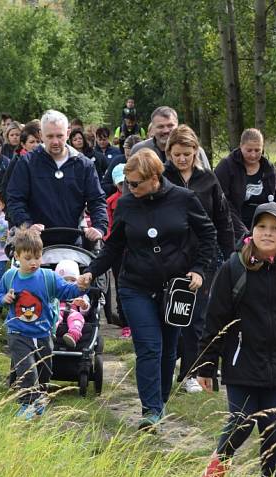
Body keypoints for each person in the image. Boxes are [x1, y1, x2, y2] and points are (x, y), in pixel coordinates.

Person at [78, 148, 216, 429]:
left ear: (155, 178)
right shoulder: (127, 204)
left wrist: (200, 269)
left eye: (136, 183)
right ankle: (150, 410)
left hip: (175, 288)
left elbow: (208, 235)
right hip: (136, 286)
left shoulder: (184, 199)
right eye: (127, 183)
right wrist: (91, 272)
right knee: (150, 347)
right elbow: (114, 244)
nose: (130, 188)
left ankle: (160, 402)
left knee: (167, 348)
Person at [195, 203, 276, 477]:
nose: (268, 233)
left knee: (273, 425)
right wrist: (206, 365)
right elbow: (215, 320)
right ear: (252, 230)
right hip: (240, 359)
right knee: (242, 421)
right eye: (262, 227)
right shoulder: (234, 268)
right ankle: (217, 466)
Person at [161, 125, 234, 393]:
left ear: (195, 153)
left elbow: (223, 220)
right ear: (168, 152)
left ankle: (190, 372)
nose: (182, 159)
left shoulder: (208, 180)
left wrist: (229, 256)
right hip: (168, 256)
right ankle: (166, 367)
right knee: (170, 315)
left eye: (187, 154)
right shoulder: (162, 178)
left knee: (197, 317)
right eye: (177, 154)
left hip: (204, 257)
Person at [0, 228, 86, 419]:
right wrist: (4, 299)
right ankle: (26, 404)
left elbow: (65, 291)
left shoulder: (48, 277)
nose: (33, 262)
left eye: (37, 257)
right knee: (26, 368)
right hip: (18, 332)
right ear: (18, 256)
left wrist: (78, 287)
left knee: (45, 370)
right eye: (28, 258)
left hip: (43, 332)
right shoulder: (10, 277)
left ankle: (40, 398)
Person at [6, 110, 107, 245]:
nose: (55, 141)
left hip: (73, 241)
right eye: (50, 136)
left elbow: (97, 200)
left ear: (68, 133)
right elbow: (15, 199)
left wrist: (99, 227)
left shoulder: (84, 165)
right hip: (34, 243)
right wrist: (27, 225)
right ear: (41, 135)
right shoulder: (27, 163)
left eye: (60, 136)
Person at [215, 128, 276, 241]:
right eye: (249, 150)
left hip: (264, 226)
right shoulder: (227, 166)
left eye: (257, 150)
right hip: (234, 225)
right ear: (240, 146)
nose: (253, 155)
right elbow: (221, 201)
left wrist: (273, 225)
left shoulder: (269, 169)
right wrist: (244, 233)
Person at [130, 106, 211, 169]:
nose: (166, 130)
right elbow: (129, 183)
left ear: (177, 126)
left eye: (170, 125)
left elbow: (208, 181)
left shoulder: (195, 151)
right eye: (160, 126)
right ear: (153, 128)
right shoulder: (139, 150)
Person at [104, 164, 130, 338]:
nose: (124, 187)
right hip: (117, 248)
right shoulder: (111, 201)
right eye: (121, 183)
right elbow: (109, 224)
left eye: (126, 182)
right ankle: (125, 321)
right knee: (120, 283)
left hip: (133, 247)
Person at [54, 259, 91, 348]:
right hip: (58, 310)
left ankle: (73, 335)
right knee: (54, 317)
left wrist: (83, 305)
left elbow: (86, 311)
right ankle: (51, 333)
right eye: (65, 280)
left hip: (74, 312)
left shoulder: (81, 293)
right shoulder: (55, 292)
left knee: (78, 318)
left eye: (73, 280)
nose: (69, 283)